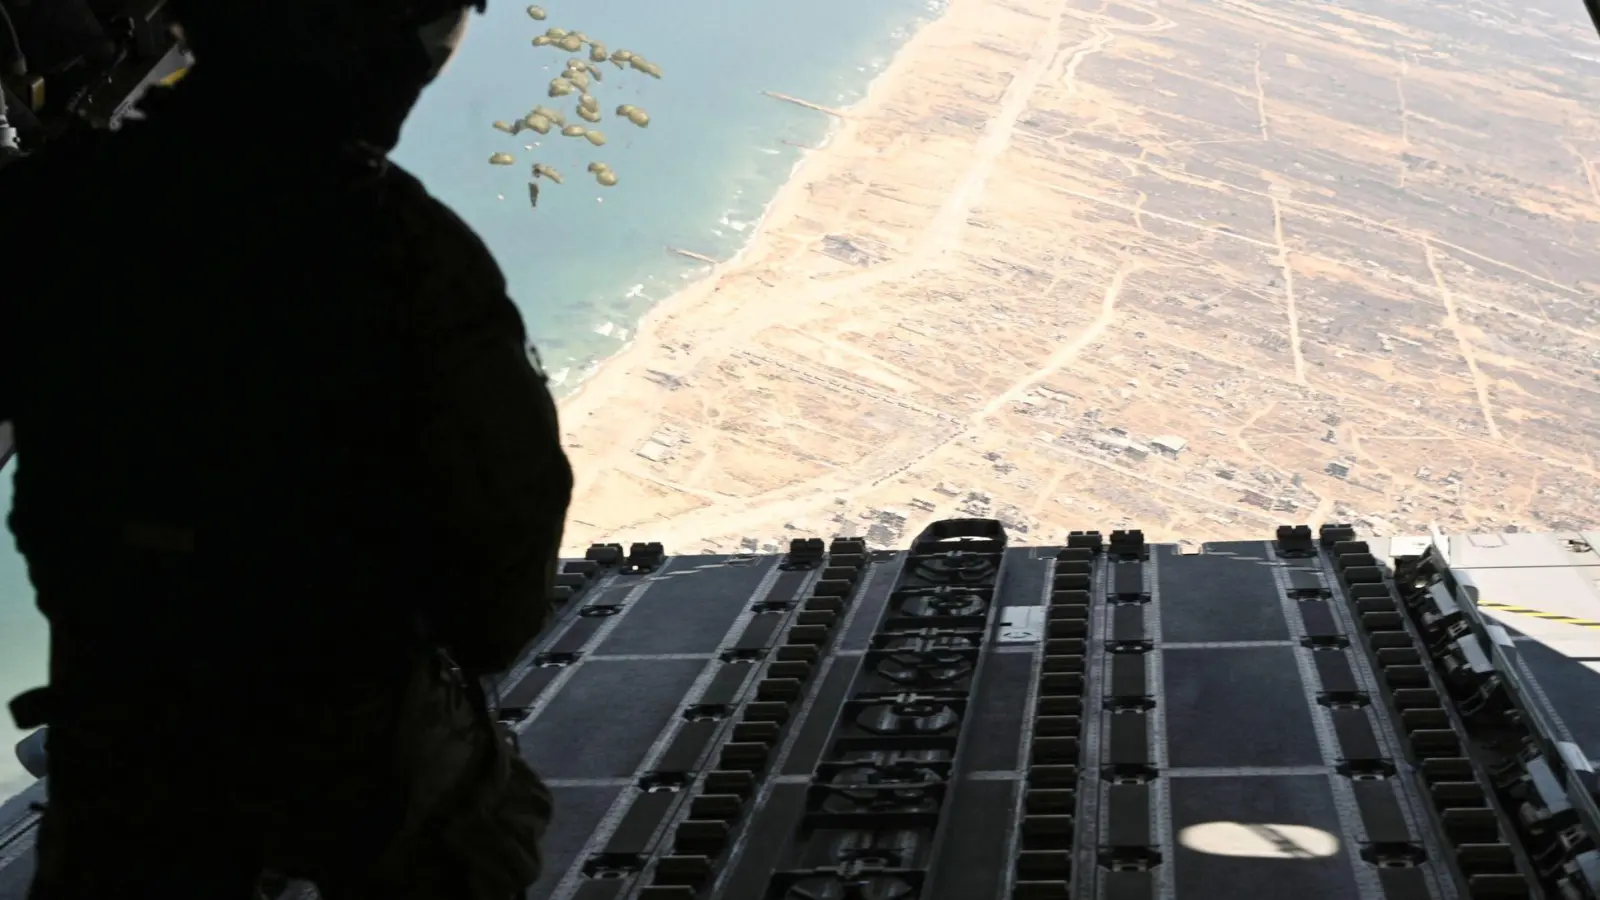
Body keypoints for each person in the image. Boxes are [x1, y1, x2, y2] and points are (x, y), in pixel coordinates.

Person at [0, 0, 573, 897]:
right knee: (488, 836)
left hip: (125, 709)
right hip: (343, 719)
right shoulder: (408, 254)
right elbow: (501, 578)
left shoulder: (45, 217)